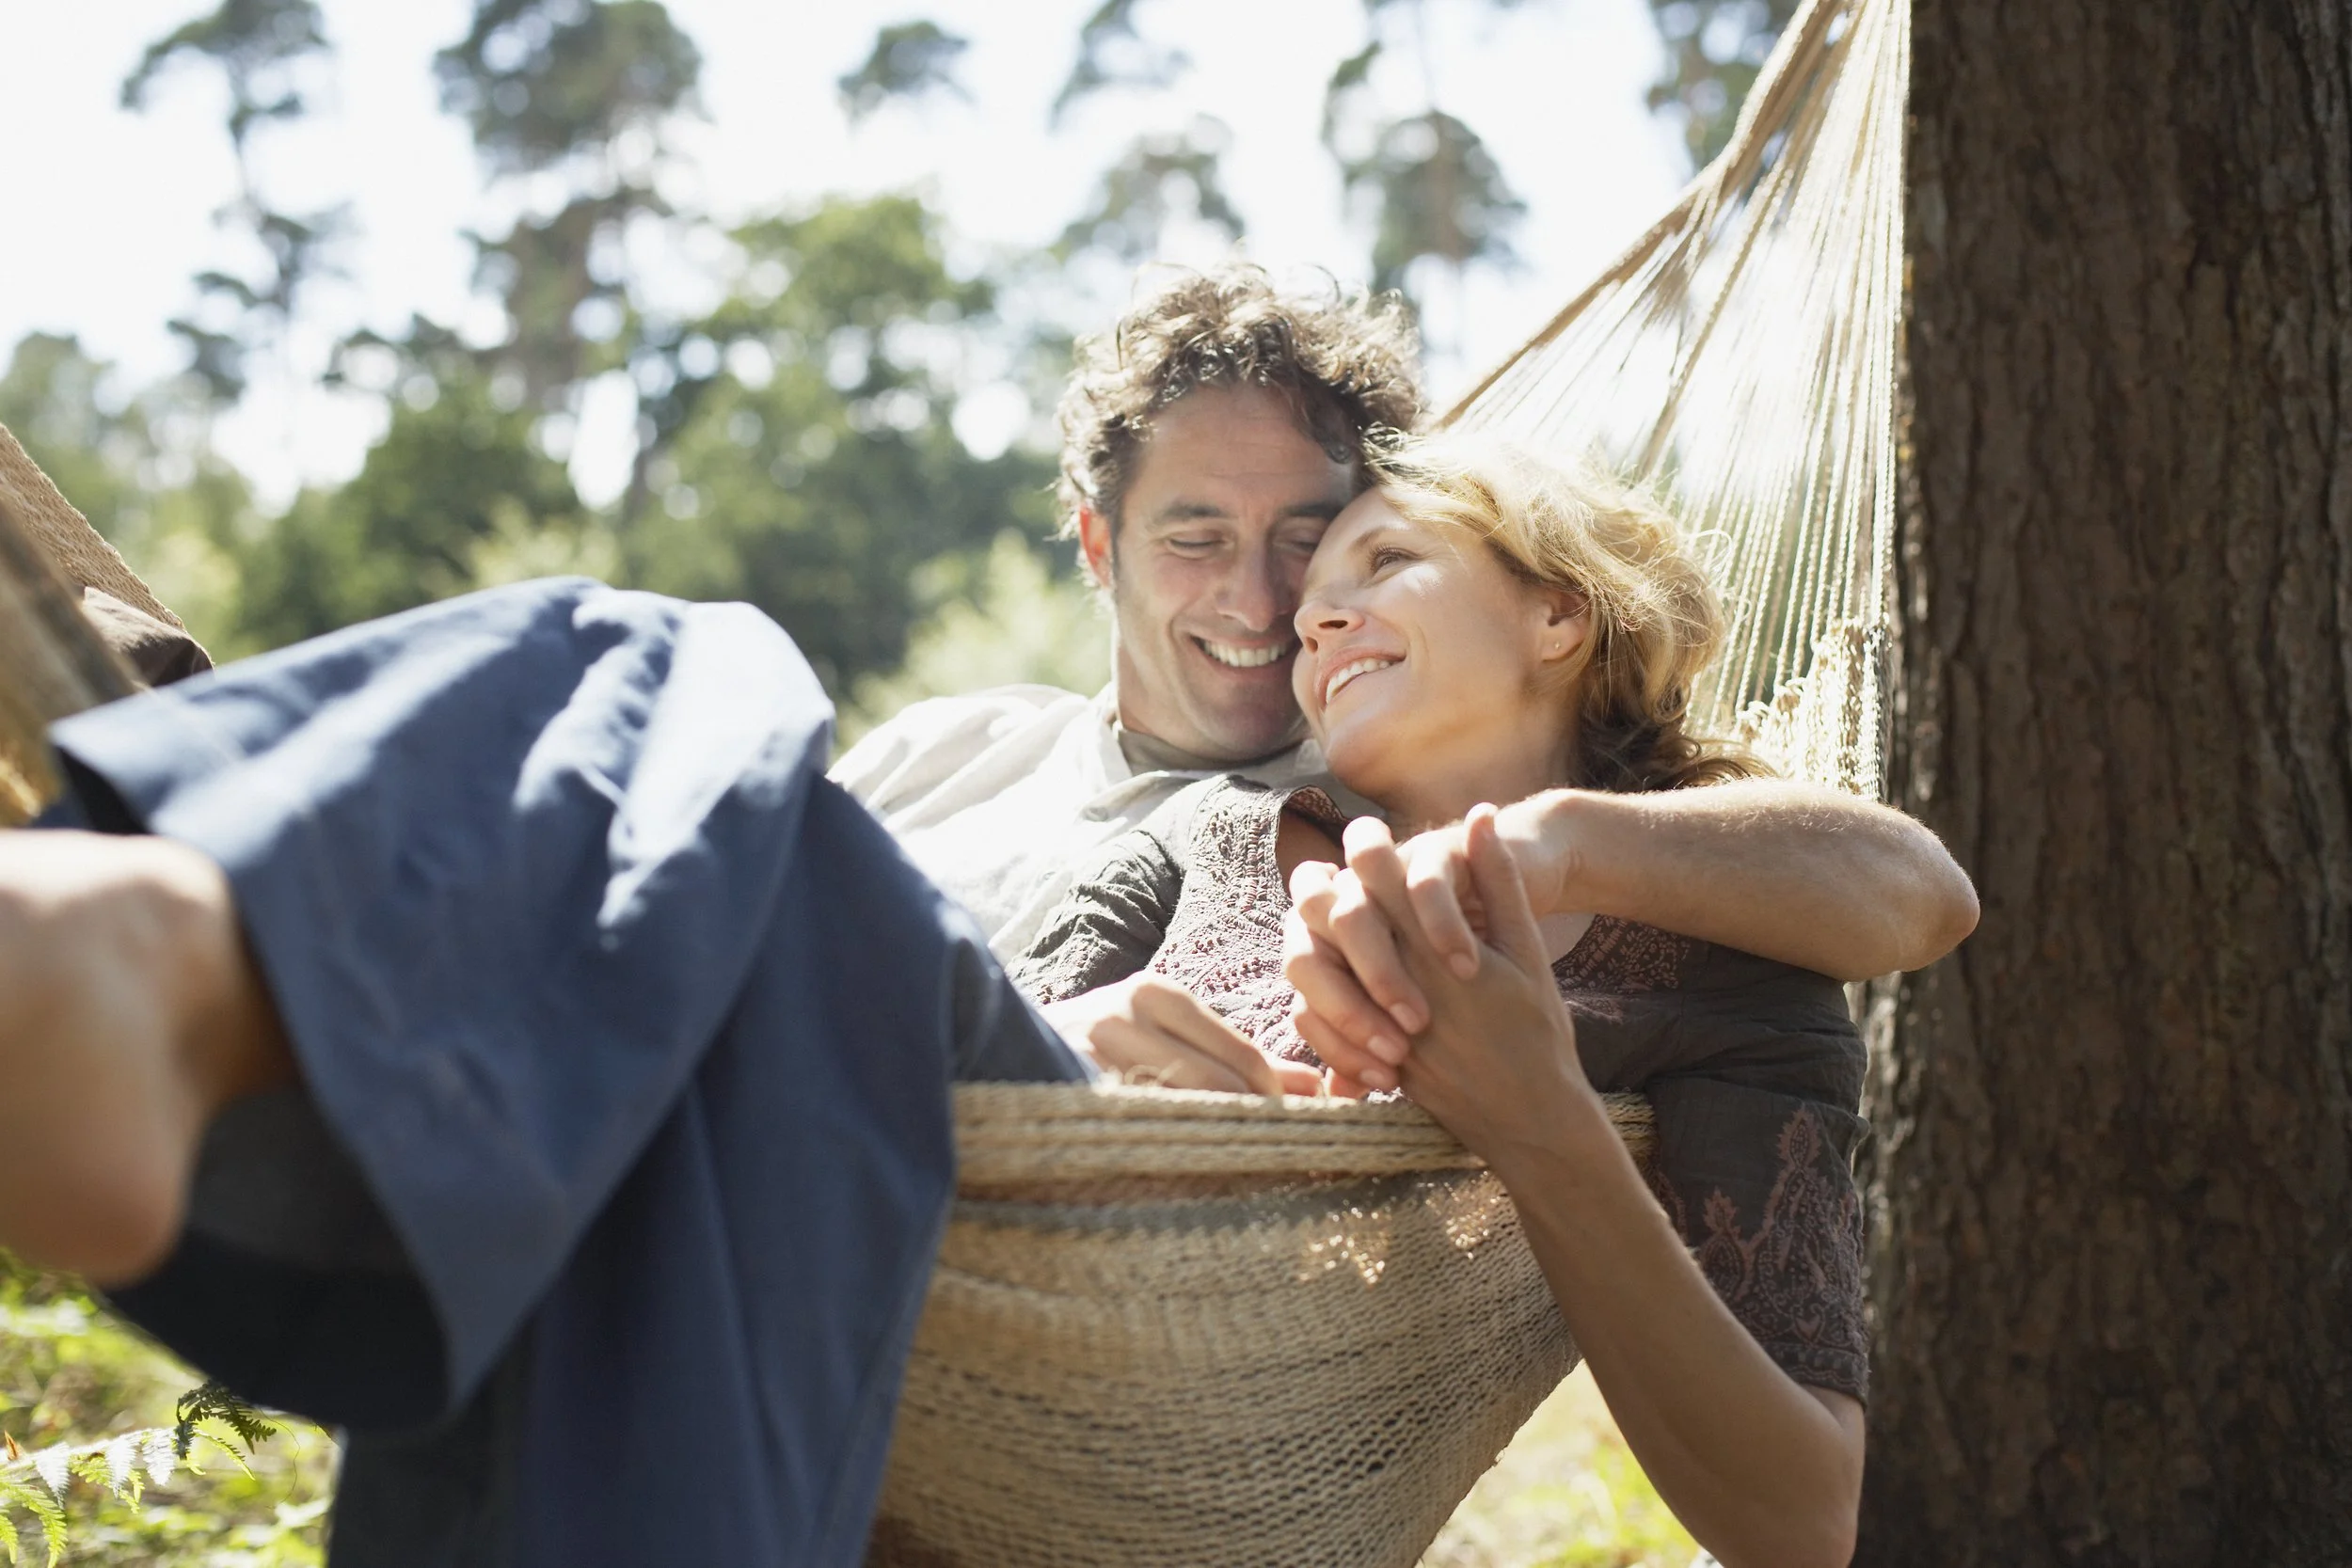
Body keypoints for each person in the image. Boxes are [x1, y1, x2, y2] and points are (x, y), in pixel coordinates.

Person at [1016, 434, 1928, 1565]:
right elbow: (931, 1069)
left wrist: (1539, 1120)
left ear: (1557, 616)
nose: (1313, 621)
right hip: (963, 1359)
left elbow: (1800, 1519)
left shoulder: (1721, 970)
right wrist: (1054, 1040)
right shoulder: (1209, 832)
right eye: (1311, 609)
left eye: (1385, 561)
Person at [839, 263, 1977, 1093]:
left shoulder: (1359, 811)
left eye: (1308, 538)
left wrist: (1553, 836)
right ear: (1097, 545)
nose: (1265, 601)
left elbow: (1906, 892)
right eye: (1194, 538)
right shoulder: (942, 746)